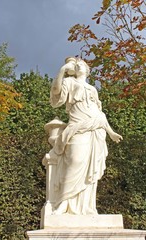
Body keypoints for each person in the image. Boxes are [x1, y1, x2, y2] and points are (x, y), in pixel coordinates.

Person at [50, 57, 123, 215]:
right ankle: (64, 203)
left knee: (91, 170)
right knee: (74, 161)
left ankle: (87, 207)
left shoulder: (92, 89)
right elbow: (56, 92)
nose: (78, 66)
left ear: (87, 70)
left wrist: (111, 132)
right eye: (76, 65)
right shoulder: (69, 82)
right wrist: (63, 69)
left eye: (81, 64)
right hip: (77, 128)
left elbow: (99, 114)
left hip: (95, 130)